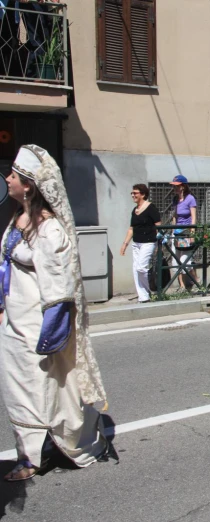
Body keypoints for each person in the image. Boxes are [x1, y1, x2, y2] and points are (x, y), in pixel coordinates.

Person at [0, 145, 108, 481]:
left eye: (13, 175)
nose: (7, 179)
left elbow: (58, 289)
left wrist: (51, 333)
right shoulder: (16, 219)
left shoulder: (48, 230)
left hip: (35, 327)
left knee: (41, 391)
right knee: (19, 391)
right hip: (13, 323)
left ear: (28, 185)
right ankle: (31, 450)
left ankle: (35, 457)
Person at [120, 184, 161, 303]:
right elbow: (131, 228)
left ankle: (148, 291)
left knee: (141, 268)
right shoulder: (135, 210)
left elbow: (159, 225)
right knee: (135, 269)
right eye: (132, 193)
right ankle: (143, 297)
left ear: (143, 194)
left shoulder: (151, 208)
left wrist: (159, 243)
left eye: (135, 193)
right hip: (136, 243)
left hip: (148, 242)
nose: (133, 195)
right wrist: (125, 244)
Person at [170, 175, 199, 289]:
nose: (175, 188)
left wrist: (192, 234)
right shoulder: (175, 199)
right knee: (175, 261)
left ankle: (195, 279)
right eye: (174, 186)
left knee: (185, 261)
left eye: (177, 186)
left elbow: (193, 218)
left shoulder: (190, 199)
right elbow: (175, 216)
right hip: (176, 233)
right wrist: (172, 232)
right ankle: (182, 286)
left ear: (183, 187)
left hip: (186, 233)